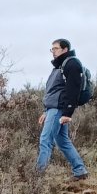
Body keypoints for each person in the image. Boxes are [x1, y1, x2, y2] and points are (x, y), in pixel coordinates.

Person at [37, 38, 89, 180]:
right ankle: (80, 171)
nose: (53, 51)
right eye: (52, 49)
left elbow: (73, 90)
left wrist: (67, 113)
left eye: (56, 48)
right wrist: (45, 110)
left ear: (65, 49)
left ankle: (37, 177)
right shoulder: (59, 66)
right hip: (53, 109)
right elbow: (53, 90)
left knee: (45, 140)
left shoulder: (71, 64)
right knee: (62, 141)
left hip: (58, 110)